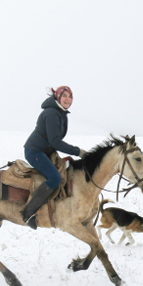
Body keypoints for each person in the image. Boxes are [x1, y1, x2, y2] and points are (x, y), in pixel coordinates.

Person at [21, 86, 87, 230]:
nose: (68, 99)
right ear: (57, 97)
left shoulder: (61, 113)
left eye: (70, 97)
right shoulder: (52, 113)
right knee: (55, 178)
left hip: (46, 151)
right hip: (35, 151)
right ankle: (28, 212)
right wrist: (78, 151)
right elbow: (55, 141)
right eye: (64, 96)